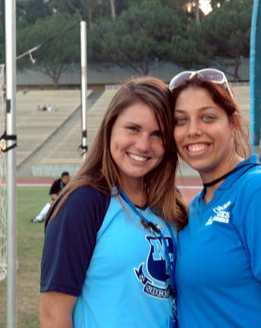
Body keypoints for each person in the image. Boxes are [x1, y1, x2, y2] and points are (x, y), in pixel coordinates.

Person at [169, 69, 261, 328]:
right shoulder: (195, 209)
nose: (192, 130)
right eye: (180, 120)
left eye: (208, 117)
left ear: (233, 123)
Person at [39, 76, 188, 327]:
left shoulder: (168, 202)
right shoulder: (84, 202)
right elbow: (53, 314)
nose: (143, 145)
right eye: (133, 128)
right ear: (110, 127)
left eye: (157, 135)